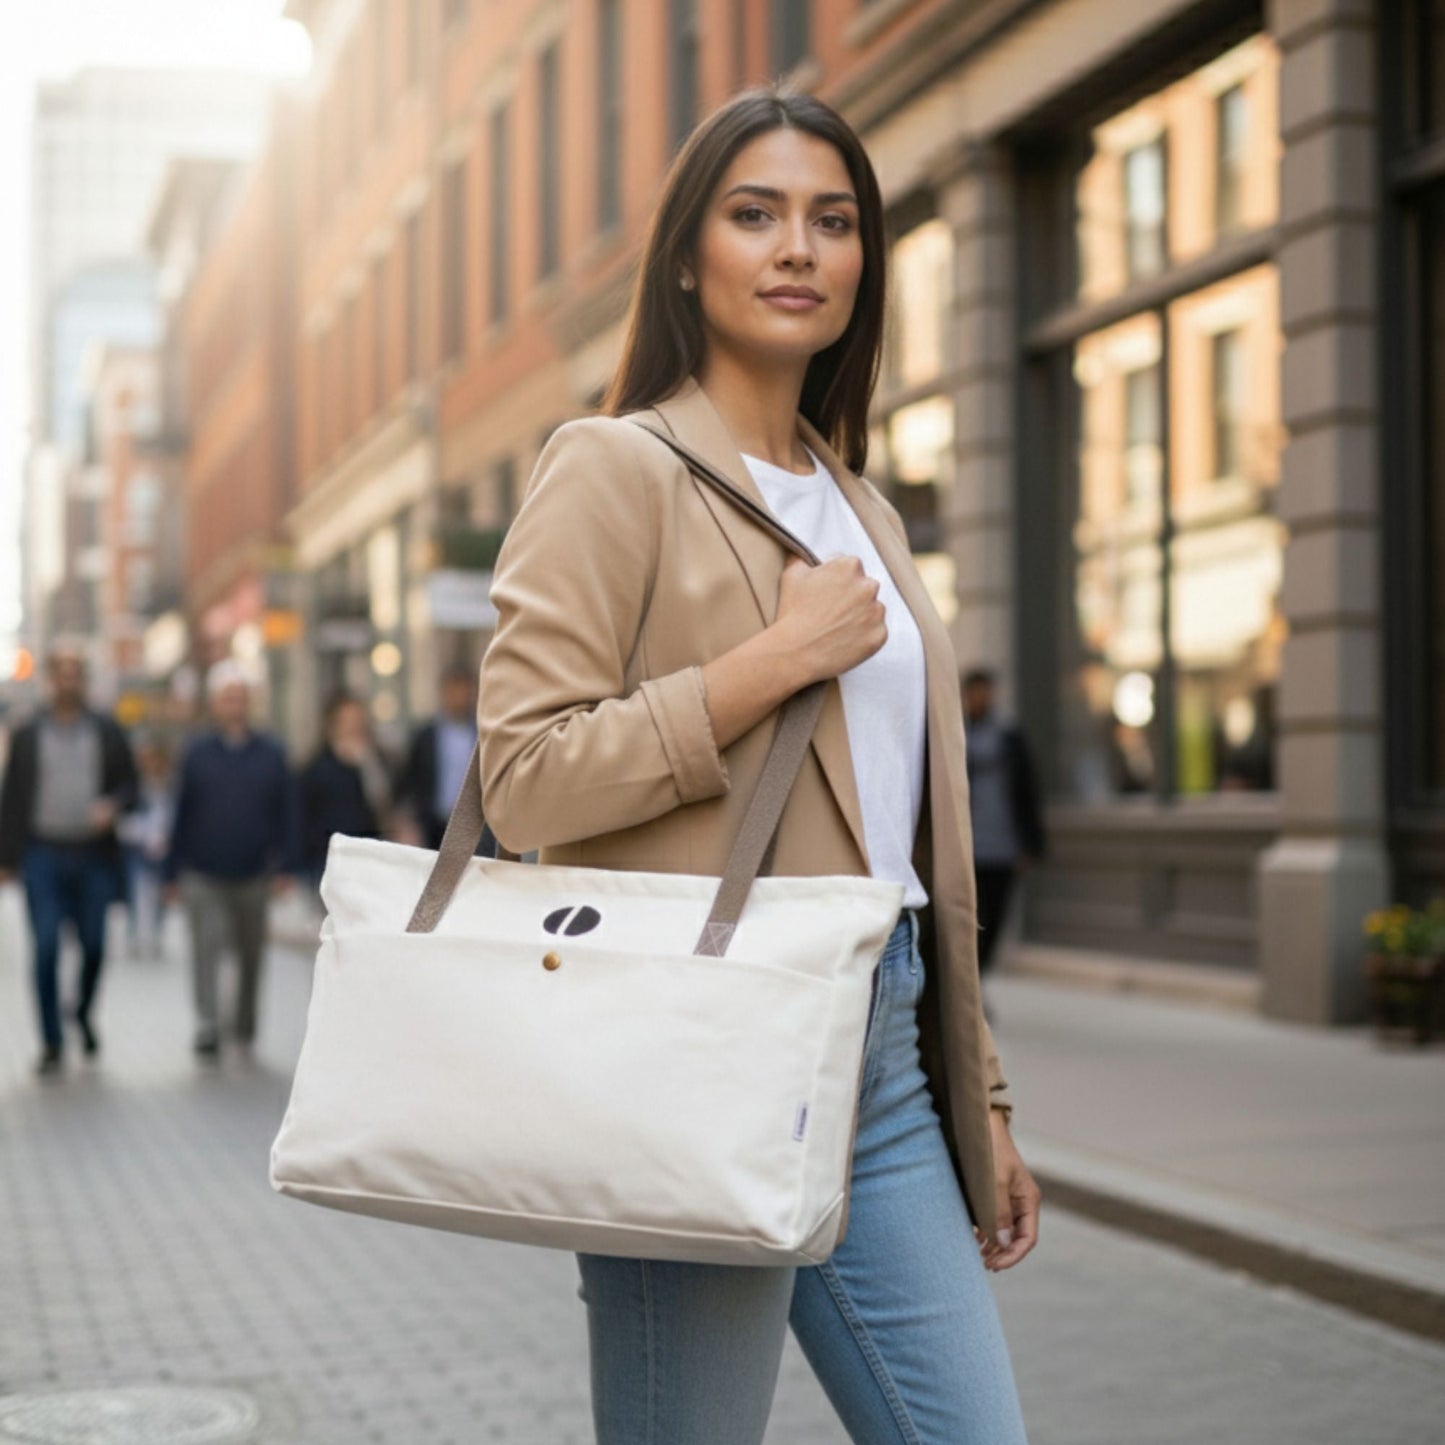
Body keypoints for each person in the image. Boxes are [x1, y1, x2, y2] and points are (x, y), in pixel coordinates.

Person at [477, 87, 1038, 1445]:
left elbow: (905, 835)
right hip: (695, 1050)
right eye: (756, 214)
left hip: (886, 1061)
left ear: (863, 264)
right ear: (687, 255)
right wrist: (767, 665)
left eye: (833, 221)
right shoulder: (613, 469)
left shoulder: (865, 509)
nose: (798, 247)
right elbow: (523, 777)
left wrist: (987, 1097)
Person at [0, 646, 137, 1073]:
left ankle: (79, 1011)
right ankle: (51, 1042)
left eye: (75, 674)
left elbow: (132, 788)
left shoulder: (107, 731)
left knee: (95, 945)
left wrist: (112, 806)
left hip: (93, 855)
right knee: (45, 948)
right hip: (42, 854)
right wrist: (6, 859)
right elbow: (12, 799)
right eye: (60, 674)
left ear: (84, 681)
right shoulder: (27, 734)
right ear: (49, 681)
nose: (68, 682)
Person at [167, 661, 299, 1060]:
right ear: (215, 703)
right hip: (203, 872)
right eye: (227, 698)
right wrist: (171, 872)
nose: (234, 705)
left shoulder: (272, 753)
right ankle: (208, 1024)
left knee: (250, 953)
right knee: (206, 948)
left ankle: (243, 1028)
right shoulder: (196, 753)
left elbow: (288, 813)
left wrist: (287, 867)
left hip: (254, 872)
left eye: (240, 697)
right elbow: (181, 812)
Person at [962, 668, 1046, 973]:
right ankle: (968, 986)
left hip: (1003, 847)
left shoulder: (1009, 736)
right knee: (967, 921)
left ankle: (978, 982)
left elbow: (1028, 791)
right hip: (966, 849)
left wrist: (1031, 843)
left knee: (995, 919)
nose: (980, 698)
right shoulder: (952, 733)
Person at [298, 691, 388, 891]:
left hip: (368, 858)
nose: (352, 726)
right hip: (328, 861)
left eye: (357, 720)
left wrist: (367, 766)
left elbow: (383, 802)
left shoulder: (375, 761)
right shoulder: (317, 768)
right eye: (346, 720)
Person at [397, 667, 480, 850]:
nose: (458, 698)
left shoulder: (482, 735)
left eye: (463, 691)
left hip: (471, 825)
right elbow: (410, 779)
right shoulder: (425, 736)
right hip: (432, 824)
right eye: (453, 691)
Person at [117, 736, 176, 959]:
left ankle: (157, 932)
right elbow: (125, 812)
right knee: (135, 891)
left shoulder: (171, 785)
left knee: (161, 891)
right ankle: (134, 933)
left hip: (163, 846)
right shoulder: (134, 785)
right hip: (138, 844)